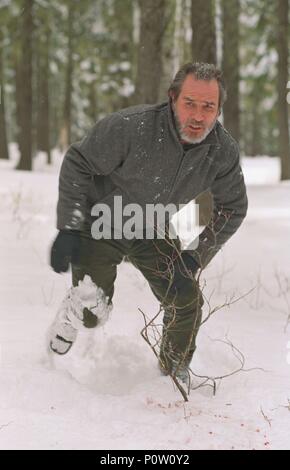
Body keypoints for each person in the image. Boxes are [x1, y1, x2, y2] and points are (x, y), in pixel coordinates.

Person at [49, 62, 248, 384]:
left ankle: (173, 372)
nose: (198, 116)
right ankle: (73, 313)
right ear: (172, 98)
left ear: (219, 109)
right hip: (103, 220)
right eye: (190, 104)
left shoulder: (221, 151)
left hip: (154, 228)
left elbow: (233, 207)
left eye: (209, 107)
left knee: (186, 300)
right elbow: (78, 162)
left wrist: (196, 256)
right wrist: (69, 226)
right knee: (91, 314)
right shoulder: (130, 127)